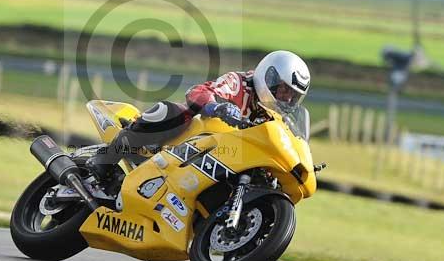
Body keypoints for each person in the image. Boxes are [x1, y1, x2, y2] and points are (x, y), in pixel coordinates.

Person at [88, 50, 311, 184]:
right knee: (177, 112)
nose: (286, 98)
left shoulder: (273, 117)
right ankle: (104, 161)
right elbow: (197, 92)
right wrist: (217, 107)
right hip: (193, 139)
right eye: (283, 89)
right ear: (269, 76)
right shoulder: (240, 83)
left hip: (226, 157)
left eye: (293, 95)